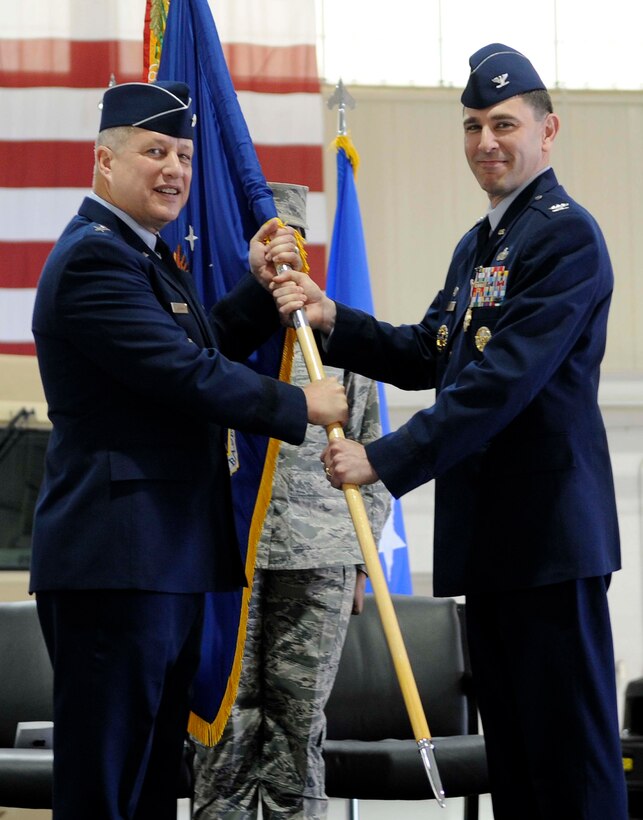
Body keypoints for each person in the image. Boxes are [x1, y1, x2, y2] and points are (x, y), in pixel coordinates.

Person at [271, 43, 629, 820]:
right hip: (494, 544)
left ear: (547, 130)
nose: (485, 143)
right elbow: (431, 352)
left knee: (569, 764)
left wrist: (382, 458)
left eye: (502, 124)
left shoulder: (565, 237)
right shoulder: (482, 243)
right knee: (518, 766)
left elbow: (502, 384)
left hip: (549, 543)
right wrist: (334, 322)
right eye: (471, 126)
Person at [29, 80, 347, 820]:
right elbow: (183, 374)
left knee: (147, 788)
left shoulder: (145, 257)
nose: (173, 169)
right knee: (104, 786)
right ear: (104, 163)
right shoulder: (92, 261)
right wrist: (300, 405)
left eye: (182, 154)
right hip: (116, 563)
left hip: (162, 558)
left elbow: (193, 345)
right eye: (153, 151)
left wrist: (255, 287)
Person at [192, 184, 390, 820]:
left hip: (320, 554)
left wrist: (363, 558)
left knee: (298, 733)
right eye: (271, 247)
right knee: (224, 729)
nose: (284, 261)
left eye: (293, 246)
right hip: (230, 559)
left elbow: (372, 450)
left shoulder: (335, 336)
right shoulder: (216, 339)